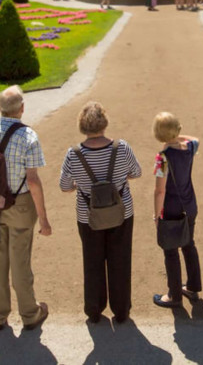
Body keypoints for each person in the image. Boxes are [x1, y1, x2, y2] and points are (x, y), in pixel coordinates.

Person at [0, 86, 52, 332]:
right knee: (20, 262)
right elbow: (33, 180)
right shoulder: (28, 136)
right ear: (22, 108)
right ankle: (29, 313)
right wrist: (44, 219)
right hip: (20, 204)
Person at [59, 102, 142, 324]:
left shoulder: (73, 154)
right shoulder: (122, 148)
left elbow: (65, 187)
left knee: (92, 262)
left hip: (88, 217)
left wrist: (81, 186)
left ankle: (94, 310)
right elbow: (136, 172)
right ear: (104, 123)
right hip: (121, 213)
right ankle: (121, 310)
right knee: (121, 260)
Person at [151, 112, 202, 308]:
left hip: (171, 210)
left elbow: (159, 190)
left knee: (170, 250)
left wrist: (157, 215)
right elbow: (195, 139)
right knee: (189, 245)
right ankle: (192, 286)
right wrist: (176, 136)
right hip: (190, 205)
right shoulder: (189, 148)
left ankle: (173, 295)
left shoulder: (161, 158)